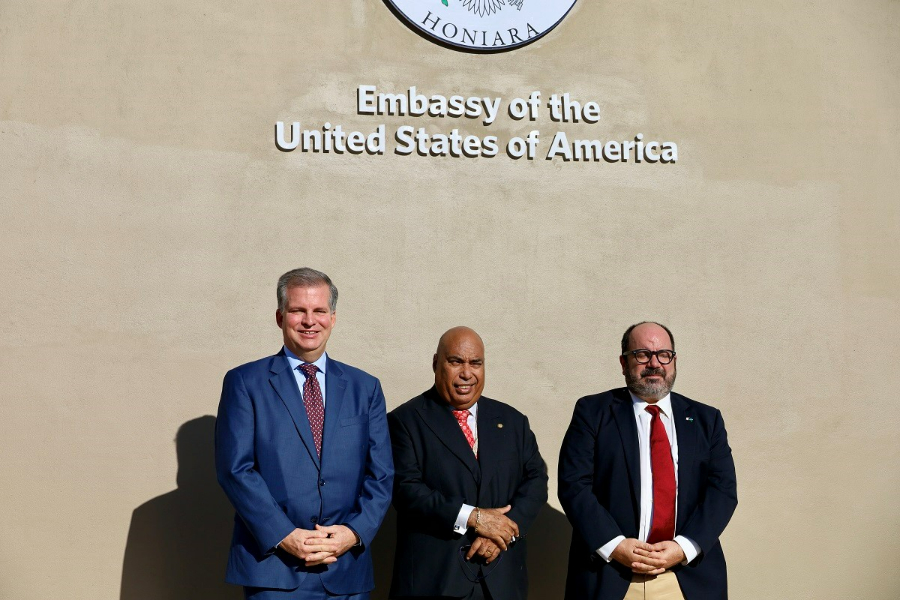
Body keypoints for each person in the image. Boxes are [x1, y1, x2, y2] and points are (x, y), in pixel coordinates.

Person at [215, 268, 393, 600]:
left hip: (346, 568)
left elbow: (381, 474)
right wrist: (284, 535)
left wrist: (353, 533)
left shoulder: (365, 388)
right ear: (281, 316)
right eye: (298, 310)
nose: (309, 321)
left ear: (333, 317)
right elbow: (235, 469)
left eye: (319, 311)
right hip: (274, 569)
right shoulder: (245, 383)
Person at [558, 322, 737, 600]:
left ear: (674, 361)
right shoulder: (592, 412)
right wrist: (614, 545)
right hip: (611, 575)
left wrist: (684, 547)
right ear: (623, 362)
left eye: (664, 354)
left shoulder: (706, 419)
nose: (654, 363)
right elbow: (573, 485)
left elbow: (723, 491)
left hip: (685, 578)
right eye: (642, 354)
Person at [388, 326, 548, 600]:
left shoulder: (512, 421)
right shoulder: (405, 421)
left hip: (502, 583)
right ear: (436, 363)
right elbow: (406, 491)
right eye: (455, 362)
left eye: (476, 363)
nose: (467, 373)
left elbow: (536, 482)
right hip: (435, 583)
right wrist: (474, 518)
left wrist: (503, 531)